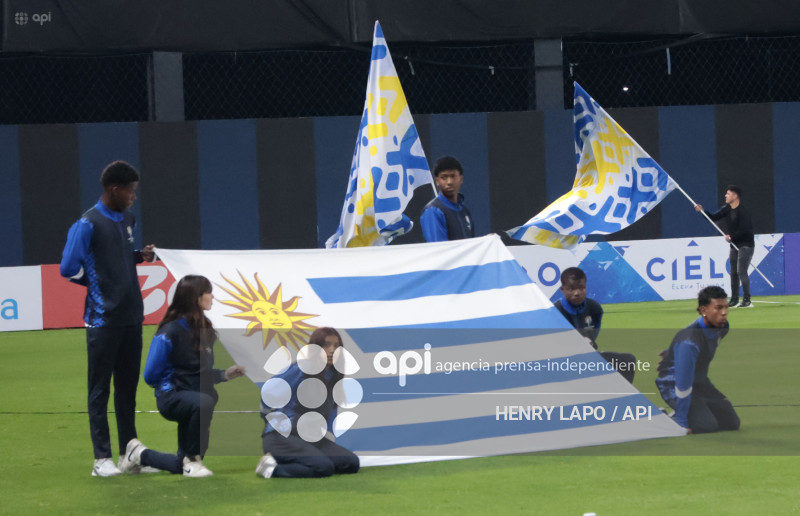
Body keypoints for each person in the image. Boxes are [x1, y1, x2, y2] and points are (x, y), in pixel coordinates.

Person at [60, 160, 156, 477]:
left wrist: (138, 257)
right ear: (115, 189)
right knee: (99, 390)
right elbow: (67, 268)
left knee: (127, 390)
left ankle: (129, 455)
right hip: (102, 321)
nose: (134, 197)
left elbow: (115, 259)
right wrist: (98, 283)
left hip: (131, 318)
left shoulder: (128, 219)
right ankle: (101, 459)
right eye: (131, 191)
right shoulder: (86, 224)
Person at [120, 275, 246, 477]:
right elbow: (150, 374)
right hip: (172, 396)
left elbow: (200, 372)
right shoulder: (170, 331)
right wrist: (173, 386)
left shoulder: (205, 328)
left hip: (194, 396)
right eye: (208, 292)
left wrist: (224, 375)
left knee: (207, 399)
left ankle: (141, 455)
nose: (212, 296)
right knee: (204, 401)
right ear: (197, 298)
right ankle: (193, 460)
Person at [255, 327, 360, 479]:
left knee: (350, 463)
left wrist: (327, 439)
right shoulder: (301, 369)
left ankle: (302, 458)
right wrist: (271, 423)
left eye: (336, 346)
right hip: (281, 437)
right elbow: (268, 392)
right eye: (326, 345)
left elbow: (329, 414)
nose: (331, 350)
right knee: (323, 467)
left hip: (311, 438)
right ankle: (270, 468)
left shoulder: (333, 375)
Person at [655, 286, 740, 434]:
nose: (724, 313)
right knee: (707, 425)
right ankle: (663, 419)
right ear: (703, 311)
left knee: (731, 422)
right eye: (718, 308)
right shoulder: (689, 342)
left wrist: (673, 351)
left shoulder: (722, 327)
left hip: (700, 382)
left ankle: (688, 413)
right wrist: (681, 423)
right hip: (674, 384)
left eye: (726, 307)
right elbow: (682, 386)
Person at [553, 267, 637, 383]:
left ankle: (624, 397)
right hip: (565, 363)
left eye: (581, 288)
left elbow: (593, 337)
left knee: (627, 360)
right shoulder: (555, 312)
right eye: (571, 289)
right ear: (563, 289)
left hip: (591, 358)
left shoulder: (595, 308)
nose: (577, 293)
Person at [694, 185, 755, 308]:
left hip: (746, 245)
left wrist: (731, 237)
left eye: (728, 194)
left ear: (735, 196)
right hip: (734, 244)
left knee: (741, 271)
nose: (725, 196)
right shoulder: (727, 208)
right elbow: (714, 217)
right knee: (733, 272)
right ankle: (734, 300)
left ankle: (747, 300)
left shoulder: (743, 212)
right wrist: (702, 211)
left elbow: (746, 231)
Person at [420, 156, 475, 242]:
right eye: (444, 177)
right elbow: (439, 250)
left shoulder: (465, 211)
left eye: (453, 176)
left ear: (461, 179)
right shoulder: (433, 210)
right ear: (437, 181)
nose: (449, 182)